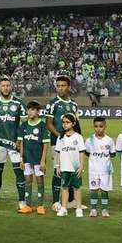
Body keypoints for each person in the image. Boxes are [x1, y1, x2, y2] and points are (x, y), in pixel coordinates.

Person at [0, 78, 26, 211]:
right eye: (3, 85)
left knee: (19, 173)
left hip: (15, 144)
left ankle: (22, 201)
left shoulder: (19, 103)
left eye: (8, 85)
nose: (5, 88)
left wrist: (20, 140)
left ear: (11, 87)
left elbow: (24, 124)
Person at [44, 76, 79, 211]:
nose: (60, 88)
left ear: (69, 87)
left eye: (63, 85)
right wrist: (61, 137)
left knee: (70, 169)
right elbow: (48, 124)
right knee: (57, 170)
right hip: (57, 142)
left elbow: (76, 124)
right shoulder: (53, 103)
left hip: (72, 144)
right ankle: (55, 201)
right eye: (58, 86)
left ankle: (71, 200)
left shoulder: (74, 104)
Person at [19, 101, 48, 214]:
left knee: (40, 180)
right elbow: (21, 143)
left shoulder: (42, 126)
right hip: (26, 158)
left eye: (32, 109)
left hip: (38, 158)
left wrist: (43, 161)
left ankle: (40, 206)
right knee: (28, 180)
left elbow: (45, 144)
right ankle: (27, 205)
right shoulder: (24, 125)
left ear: (38, 111)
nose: (29, 112)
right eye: (28, 109)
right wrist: (21, 159)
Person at [54, 113, 85, 217]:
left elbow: (81, 152)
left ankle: (79, 208)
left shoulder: (78, 137)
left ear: (73, 123)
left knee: (77, 188)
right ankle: (63, 208)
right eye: (63, 122)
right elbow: (57, 152)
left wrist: (81, 166)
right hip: (64, 167)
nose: (65, 124)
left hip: (75, 168)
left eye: (67, 122)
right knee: (65, 187)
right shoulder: (60, 138)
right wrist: (57, 166)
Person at [85, 117, 115, 218]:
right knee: (94, 189)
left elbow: (112, 154)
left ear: (105, 127)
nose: (98, 129)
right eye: (96, 126)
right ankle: (93, 209)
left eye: (101, 126)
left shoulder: (109, 140)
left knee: (104, 190)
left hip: (105, 170)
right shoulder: (89, 140)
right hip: (93, 169)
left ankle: (104, 209)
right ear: (93, 127)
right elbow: (87, 153)